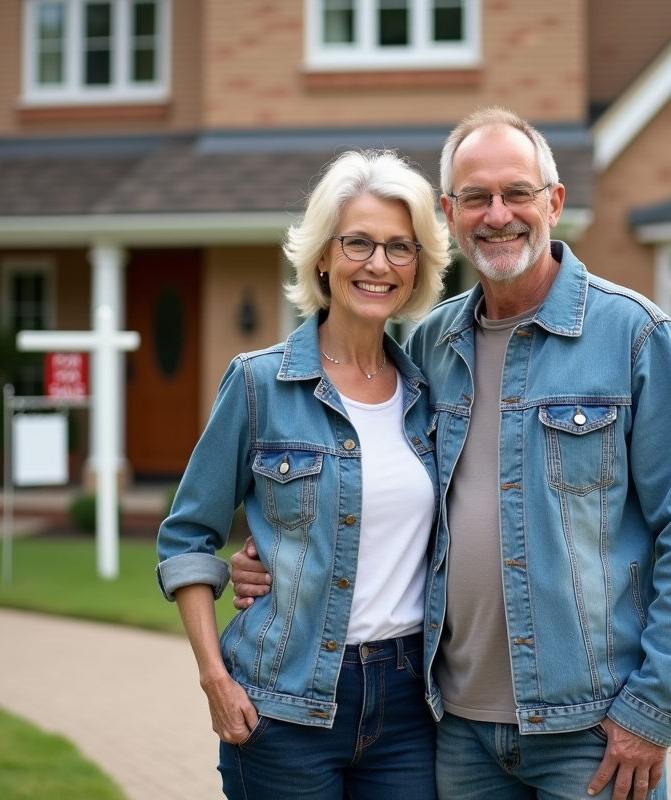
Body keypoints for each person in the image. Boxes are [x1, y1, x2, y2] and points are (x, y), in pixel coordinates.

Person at [231, 107, 671, 800]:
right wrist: (273, 555)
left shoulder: (634, 338)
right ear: (450, 212)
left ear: (553, 202)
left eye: (517, 193)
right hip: (456, 730)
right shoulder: (430, 348)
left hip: (590, 732)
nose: (498, 215)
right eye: (476, 197)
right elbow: (373, 477)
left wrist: (653, 710)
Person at [155, 149, 451, 799]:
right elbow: (185, 538)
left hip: (410, 708)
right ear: (322, 255)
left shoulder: (434, 396)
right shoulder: (259, 383)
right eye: (359, 243)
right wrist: (213, 678)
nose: (379, 264)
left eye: (400, 248)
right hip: (284, 702)